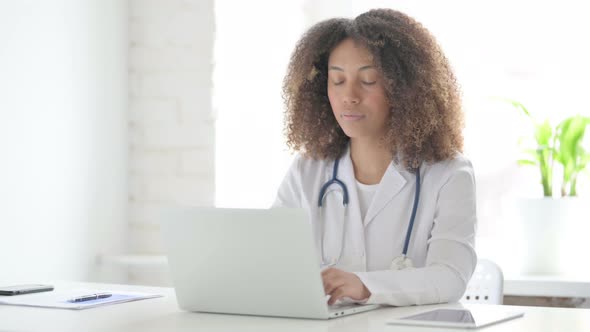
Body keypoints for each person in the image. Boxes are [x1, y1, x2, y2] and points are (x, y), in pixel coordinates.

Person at [273, 8, 477, 307]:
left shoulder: (448, 173)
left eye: (368, 81)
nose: (349, 96)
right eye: (337, 80)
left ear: (404, 89)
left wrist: (364, 286)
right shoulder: (308, 170)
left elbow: (450, 276)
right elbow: (268, 260)